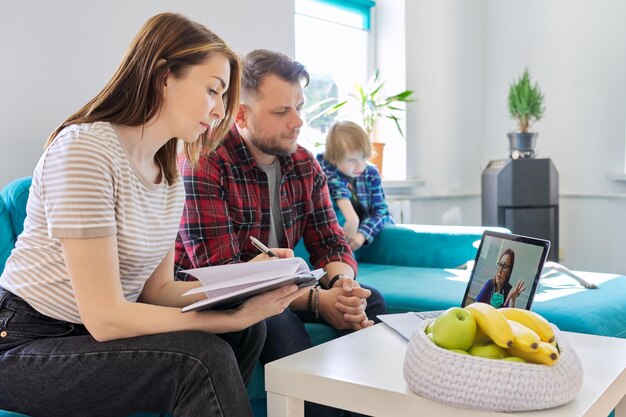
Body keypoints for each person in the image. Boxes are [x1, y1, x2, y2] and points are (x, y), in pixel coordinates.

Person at [0, 14, 307, 417]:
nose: (218, 111)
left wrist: (251, 280)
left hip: (88, 336)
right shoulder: (85, 150)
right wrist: (225, 320)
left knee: (251, 330)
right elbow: (106, 318)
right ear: (164, 75)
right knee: (203, 358)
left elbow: (157, 291)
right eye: (213, 91)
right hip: (26, 341)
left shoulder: (167, 176)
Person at [175, 49, 387, 417]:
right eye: (281, 112)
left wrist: (343, 287)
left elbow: (329, 240)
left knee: (372, 303)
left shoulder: (304, 163)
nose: (297, 122)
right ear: (240, 113)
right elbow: (226, 274)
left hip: (284, 287)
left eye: (299, 107)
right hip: (225, 296)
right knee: (276, 322)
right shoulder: (204, 162)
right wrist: (319, 302)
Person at [316, 121, 395, 251]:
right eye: (352, 160)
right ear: (334, 159)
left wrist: (362, 234)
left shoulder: (371, 173)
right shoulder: (323, 169)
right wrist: (352, 218)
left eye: (363, 158)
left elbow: (381, 213)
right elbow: (334, 183)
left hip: (367, 235)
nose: (360, 166)